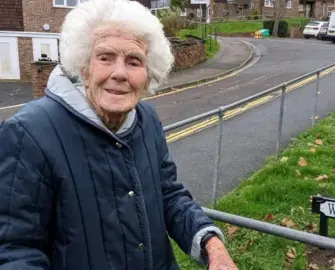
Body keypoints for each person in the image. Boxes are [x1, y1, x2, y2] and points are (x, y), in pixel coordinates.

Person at [0, 0, 238, 269]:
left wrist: (212, 245)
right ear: (83, 67)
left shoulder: (147, 120)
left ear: (148, 75)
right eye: (105, 57)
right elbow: (14, 249)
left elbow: (168, 196)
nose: (120, 73)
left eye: (134, 61)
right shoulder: (28, 133)